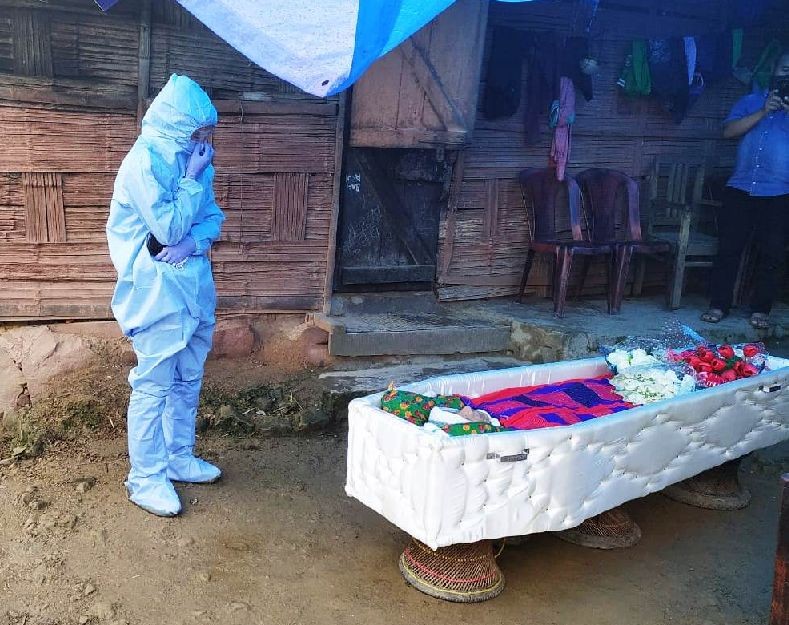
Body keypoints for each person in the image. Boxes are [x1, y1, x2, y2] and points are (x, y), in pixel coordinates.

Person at [106, 74, 225, 516]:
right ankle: (145, 478)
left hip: (193, 288)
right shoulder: (144, 163)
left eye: (207, 133)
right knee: (154, 386)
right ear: (178, 126)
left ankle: (178, 457)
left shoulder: (195, 160)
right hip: (155, 293)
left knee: (187, 379)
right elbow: (168, 226)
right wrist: (191, 182)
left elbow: (211, 219)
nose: (205, 141)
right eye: (199, 132)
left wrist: (192, 245)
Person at [701, 51, 789, 330]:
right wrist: (764, 110)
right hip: (740, 187)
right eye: (786, 69)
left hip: (779, 192)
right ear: (775, 70)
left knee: (772, 253)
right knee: (728, 248)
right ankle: (719, 304)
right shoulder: (751, 100)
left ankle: (761, 309)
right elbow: (728, 132)